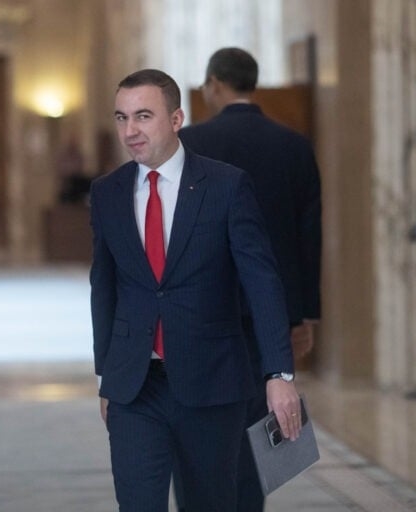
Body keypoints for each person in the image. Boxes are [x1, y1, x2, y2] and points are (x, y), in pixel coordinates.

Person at [89, 68, 302, 512]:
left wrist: (279, 374)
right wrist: (107, 375)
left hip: (211, 383)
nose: (130, 131)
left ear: (176, 119)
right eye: (122, 117)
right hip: (135, 387)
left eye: (143, 116)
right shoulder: (108, 192)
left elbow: (261, 283)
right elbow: (103, 287)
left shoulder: (226, 186)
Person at [176, 47, 322, 511]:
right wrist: (304, 314)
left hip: (203, 310)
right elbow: (308, 235)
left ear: (214, 84)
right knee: (260, 421)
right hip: (270, 311)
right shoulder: (293, 144)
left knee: (202, 421)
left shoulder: (190, 143)